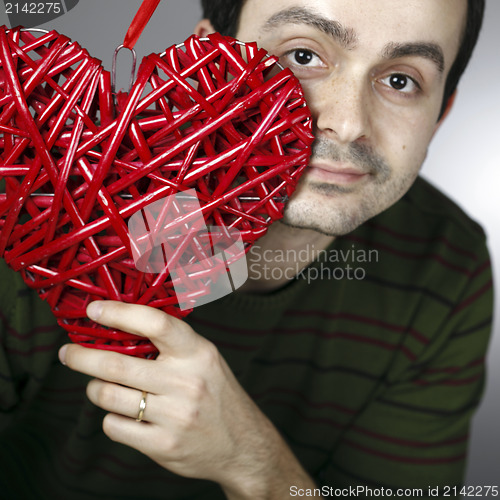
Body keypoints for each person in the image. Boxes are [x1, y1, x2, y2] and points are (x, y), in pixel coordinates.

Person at [0, 0, 493, 499]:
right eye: (303, 57)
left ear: (440, 114)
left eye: (401, 81)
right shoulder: (34, 208)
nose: (347, 123)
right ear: (210, 59)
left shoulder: (445, 268)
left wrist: (254, 464)